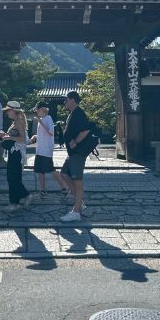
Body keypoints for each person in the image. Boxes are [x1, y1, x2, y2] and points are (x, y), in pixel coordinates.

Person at [59, 91, 91, 223]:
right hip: (72, 153)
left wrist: (76, 141)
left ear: (72, 100)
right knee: (64, 174)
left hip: (78, 152)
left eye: (66, 100)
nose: (64, 102)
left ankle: (76, 211)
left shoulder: (79, 113)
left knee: (77, 181)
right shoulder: (72, 114)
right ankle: (80, 202)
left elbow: (86, 129)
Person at [0, 101, 34, 212]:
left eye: (8, 110)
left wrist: (8, 138)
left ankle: (17, 201)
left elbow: (23, 139)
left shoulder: (19, 122)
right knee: (13, 178)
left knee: (12, 178)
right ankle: (18, 201)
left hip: (17, 153)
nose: (7, 112)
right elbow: (15, 137)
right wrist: (4, 135)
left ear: (13, 111)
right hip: (14, 152)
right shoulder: (15, 122)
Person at [30, 101, 67, 199]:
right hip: (40, 150)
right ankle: (43, 190)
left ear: (42, 109)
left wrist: (41, 123)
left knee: (51, 170)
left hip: (46, 150)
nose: (36, 112)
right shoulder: (42, 119)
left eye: (37, 110)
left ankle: (64, 187)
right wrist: (36, 136)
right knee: (40, 171)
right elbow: (44, 134)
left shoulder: (48, 118)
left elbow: (51, 132)